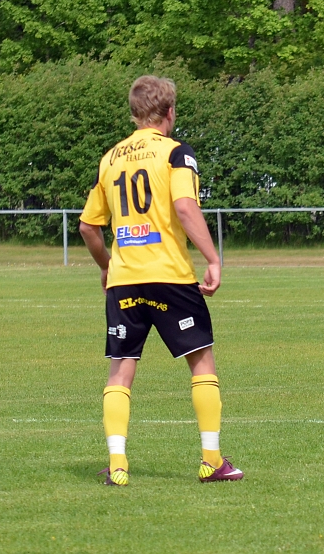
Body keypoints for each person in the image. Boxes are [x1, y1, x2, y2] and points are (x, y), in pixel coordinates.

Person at [79, 75, 242, 486]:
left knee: (120, 371)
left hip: (125, 280)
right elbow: (185, 208)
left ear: (134, 113)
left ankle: (118, 464)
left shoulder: (110, 158)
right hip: (169, 276)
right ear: (170, 112)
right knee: (201, 364)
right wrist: (212, 257)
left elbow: (87, 227)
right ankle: (212, 461)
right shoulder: (175, 153)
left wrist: (105, 265)